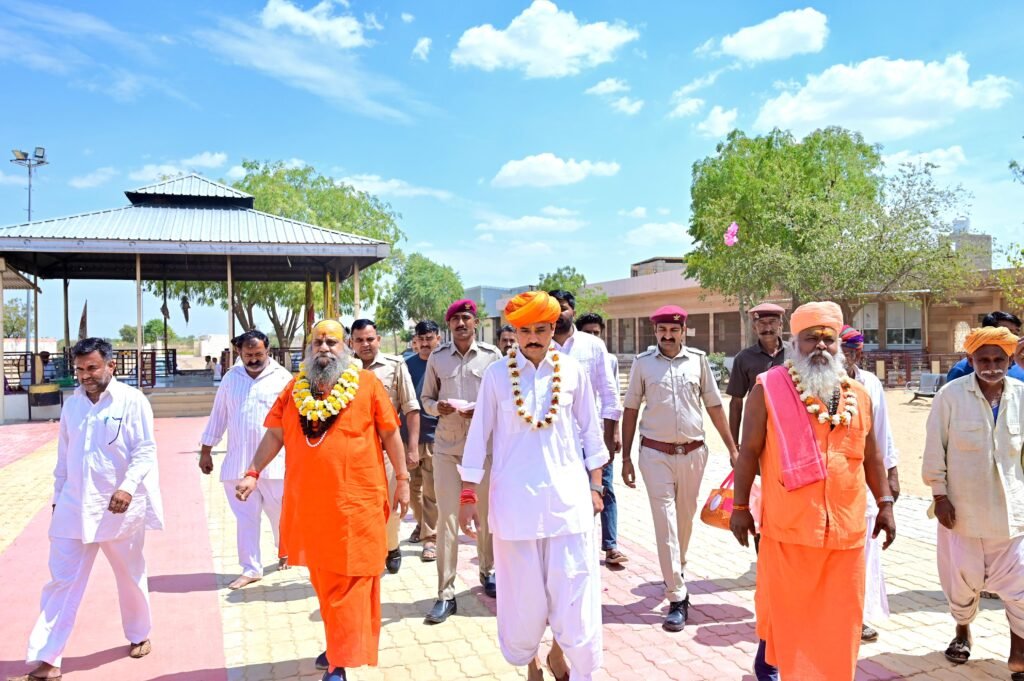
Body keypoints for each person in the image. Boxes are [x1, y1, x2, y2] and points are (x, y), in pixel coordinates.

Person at [730, 302, 896, 681]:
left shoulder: (859, 394)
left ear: (840, 345)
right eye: (811, 338)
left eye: (828, 339)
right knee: (788, 622)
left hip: (847, 534)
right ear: (794, 342)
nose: (820, 346)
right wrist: (740, 507)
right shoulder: (768, 389)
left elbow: (872, 457)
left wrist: (885, 503)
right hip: (790, 532)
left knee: (841, 624)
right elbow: (748, 452)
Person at [236, 320, 409, 681]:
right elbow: (275, 435)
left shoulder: (367, 384)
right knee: (325, 582)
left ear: (344, 347)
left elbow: (391, 434)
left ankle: (338, 661)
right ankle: (337, 643)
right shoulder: (294, 389)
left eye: (332, 342)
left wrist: (404, 480)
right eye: (318, 342)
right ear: (308, 348)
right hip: (312, 505)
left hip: (358, 503)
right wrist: (252, 471)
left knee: (353, 581)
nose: (325, 348)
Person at [459, 290, 608, 681]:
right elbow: (478, 437)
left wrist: (597, 487)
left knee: (572, 591)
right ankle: (530, 663)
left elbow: (592, 433)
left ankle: (564, 656)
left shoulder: (571, 370)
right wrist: (468, 495)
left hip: (567, 501)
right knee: (522, 598)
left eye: (541, 329)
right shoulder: (496, 375)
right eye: (524, 331)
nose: (533, 338)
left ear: (553, 328)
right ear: (514, 331)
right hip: (514, 506)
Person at [12, 338, 163, 681]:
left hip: (119, 507)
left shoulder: (132, 401)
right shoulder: (73, 406)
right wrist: (56, 499)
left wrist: (127, 486)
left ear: (112, 365)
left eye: (92, 367)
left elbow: (144, 450)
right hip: (73, 506)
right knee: (61, 582)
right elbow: (64, 459)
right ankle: (48, 658)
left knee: (130, 574)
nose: (85, 375)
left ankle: (139, 633)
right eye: (79, 369)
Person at [621, 305, 740, 632]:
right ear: (655, 332)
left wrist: (732, 448)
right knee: (665, 522)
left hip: (693, 454)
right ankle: (677, 596)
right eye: (662, 330)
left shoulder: (698, 361)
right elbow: (630, 409)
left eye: (673, 330)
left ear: (683, 330)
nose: (668, 336)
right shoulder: (643, 364)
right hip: (654, 455)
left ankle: (677, 569)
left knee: (685, 519)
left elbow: (714, 406)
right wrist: (626, 457)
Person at [923, 326, 1024, 677]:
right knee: (961, 583)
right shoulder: (950, 396)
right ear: (971, 360)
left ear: (1010, 360)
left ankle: (1019, 653)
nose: (992, 366)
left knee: (1021, 585)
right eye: (984, 359)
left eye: (999, 359)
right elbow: (935, 449)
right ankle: (962, 632)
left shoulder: (1023, 396)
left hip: (1012, 512)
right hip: (962, 511)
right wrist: (940, 496)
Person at [421, 298, 503, 623]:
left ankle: (489, 570)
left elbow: (502, 400)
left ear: (475, 321)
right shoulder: (438, 358)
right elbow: (425, 397)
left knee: (485, 514)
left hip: (483, 450)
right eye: (456, 320)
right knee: (448, 519)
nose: (461, 324)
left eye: (466, 318)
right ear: (449, 325)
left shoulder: (492, 357)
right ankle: (445, 593)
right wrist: (435, 408)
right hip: (447, 448)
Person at [198, 329, 293, 589]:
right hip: (238, 464)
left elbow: (293, 422)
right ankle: (251, 568)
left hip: (276, 464)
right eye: (248, 355)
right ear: (239, 353)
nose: (253, 359)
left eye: (258, 354)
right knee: (246, 519)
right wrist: (206, 450)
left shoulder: (283, 378)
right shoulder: (231, 378)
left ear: (268, 351)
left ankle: (284, 550)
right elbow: (219, 415)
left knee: (280, 514)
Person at [549, 291, 625, 567]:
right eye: (553, 309)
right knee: (564, 502)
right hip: (555, 443)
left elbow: (609, 395)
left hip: (590, 441)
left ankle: (606, 547)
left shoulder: (592, 346)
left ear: (573, 311)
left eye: (564, 308)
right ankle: (569, 560)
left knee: (600, 494)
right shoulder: (541, 347)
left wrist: (607, 438)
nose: (559, 314)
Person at [840, 324, 901, 642]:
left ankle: (857, 616)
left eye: (848, 351)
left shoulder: (871, 384)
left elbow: (882, 435)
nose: (842, 357)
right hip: (828, 487)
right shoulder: (813, 384)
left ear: (858, 353)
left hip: (863, 486)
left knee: (863, 554)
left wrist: (890, 479)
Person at [350, 319, 421, 575]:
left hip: (388, 448)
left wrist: (412, 447)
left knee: (390, 504)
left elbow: (411, 407)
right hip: (355, 451)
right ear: (351, 343)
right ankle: (367, 550)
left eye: (370, 339)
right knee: (359, 505)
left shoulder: (395, 365)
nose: (365, 344)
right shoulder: (344, 369)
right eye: (359, 340)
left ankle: (392, 547)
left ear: (378, 340)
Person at [404, 320, 441, 561]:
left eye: (430, 338)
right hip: (408, 437)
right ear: (416, 341)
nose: (425, 343)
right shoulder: (406, 365)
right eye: (421, 339)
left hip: (437, 437)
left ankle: (431, 539)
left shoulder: (444, 363)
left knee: (431, 491)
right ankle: (421, 523)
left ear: (438, 337)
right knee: (412, 489)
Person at [726, 303, 787, 445]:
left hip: (789, 429)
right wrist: (734, 446)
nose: (767, 328)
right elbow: (736, 404)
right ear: (754, 328)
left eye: (772, 322)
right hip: (756, 431)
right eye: (762, 323)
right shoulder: (743, 358)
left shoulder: (796, 354)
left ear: (781, 325)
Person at [947, 311, 1024, 382]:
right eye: (1005, 333)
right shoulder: (961, 370)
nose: (1013, 338)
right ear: (987, 333)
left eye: (1016, 334)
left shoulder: (1020, 365)